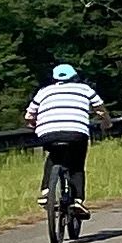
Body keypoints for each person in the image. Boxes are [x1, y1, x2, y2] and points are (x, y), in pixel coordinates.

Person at [25, 62, 109, 215]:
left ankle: (46, 192)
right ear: (75, 77)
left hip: (48, 132)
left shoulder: (44, 91)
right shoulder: (85, 89)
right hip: (76, 132)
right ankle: (77, 200)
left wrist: (32, 123)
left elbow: (30, 114)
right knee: (77, 164)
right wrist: (106, 122)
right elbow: (100, 110)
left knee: (53, 157)